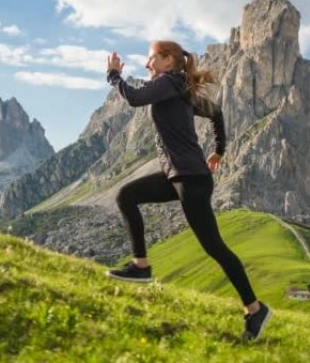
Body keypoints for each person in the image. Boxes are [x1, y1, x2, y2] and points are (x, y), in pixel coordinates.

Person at [104, 40, 272, 341]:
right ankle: (141, 265)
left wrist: (114, 76)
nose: (146, 65)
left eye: (151, 59)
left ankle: (255, 308)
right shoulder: (180, 87)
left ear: (168, 60)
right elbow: (217, 112)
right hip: (178, 176)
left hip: (191, 179)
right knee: (125, 195)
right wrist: (218, 149)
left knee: (215, 247)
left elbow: (134, 97)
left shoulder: (169, 82)